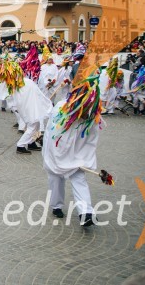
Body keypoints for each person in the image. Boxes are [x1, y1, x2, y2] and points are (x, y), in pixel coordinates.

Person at [43, 73, 105, 226]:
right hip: (61, 152)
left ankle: (80, 212)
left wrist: (84, 156)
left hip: (69, 153)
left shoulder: (88, 115)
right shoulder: (64, 109)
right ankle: (68, 208)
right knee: (65, 178)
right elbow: (53, 128)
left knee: (69, 178)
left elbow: (91, 139)